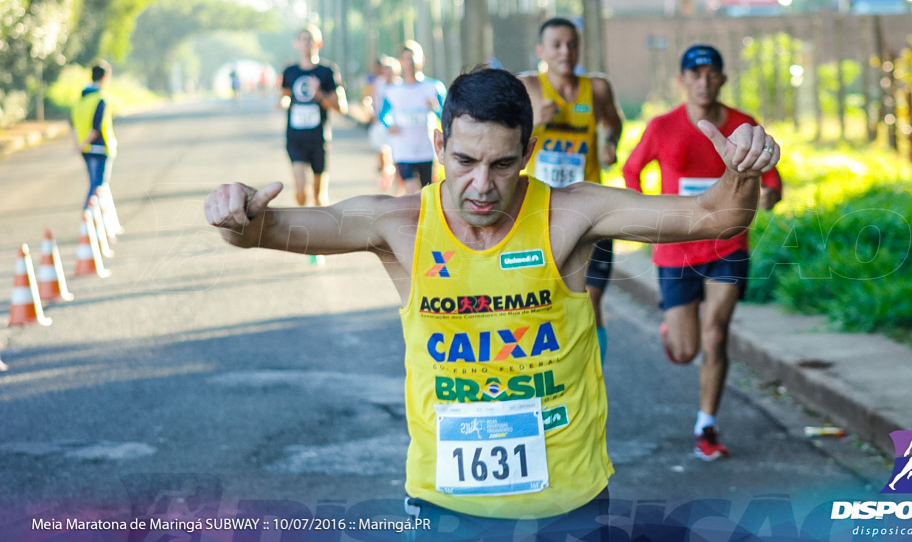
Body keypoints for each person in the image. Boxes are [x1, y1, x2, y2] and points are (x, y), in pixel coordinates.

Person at [205, 67, 780, 532]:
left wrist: (744, 170)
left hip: (567, 504)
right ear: (439, 145)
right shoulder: (398, 224)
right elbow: (263, 229)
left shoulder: (570, 215)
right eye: (464, 161)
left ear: (528, 152)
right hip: (444, 503)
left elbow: (718, 216)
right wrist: (235, 210)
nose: (482, 184)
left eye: (503, 164)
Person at [622, 44, 783, 462]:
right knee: (686, 350)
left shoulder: (744, 124)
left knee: (716, 333)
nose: (704, 81)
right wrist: (646, 216)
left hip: (727, 245)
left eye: (712, 73)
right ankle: (672, 332)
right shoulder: (661, 127)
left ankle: (706, 425)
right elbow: (631, 169)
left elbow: (772, 176)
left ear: (723, 79)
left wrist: (770, 195)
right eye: (695, 74)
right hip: (675, 248)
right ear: (682, 81)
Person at [519, 17, 624, 363]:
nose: (566, 51)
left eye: (572, 44)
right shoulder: (529, 86)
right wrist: (534, 121)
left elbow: (614, 122)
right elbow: (503, 139)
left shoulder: (596, 88)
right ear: (541, 50)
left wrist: (609, 143)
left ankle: (593, 375)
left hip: (591, 210)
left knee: (590, 301)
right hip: (541, 213)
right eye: (557, 45)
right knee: (545, 302)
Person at [280, 24, 348, 207]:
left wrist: (319, 94)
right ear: (297, 44)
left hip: (319, 139)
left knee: (319, 197)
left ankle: (319, 232)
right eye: (303, 39)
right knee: (301, 191)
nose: (306, 43)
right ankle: (304, 227)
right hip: (295, 138)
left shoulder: (327, 71)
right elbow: (285, 96)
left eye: (310, 39)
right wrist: (282, 103)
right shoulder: (290, 71)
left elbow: (341, 107)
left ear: (318, 43)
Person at [379, 40, 446, 195]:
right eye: (406, 58)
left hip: (426, 150)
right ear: (400, 62)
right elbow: (383, 115)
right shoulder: (392, 91)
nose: (410, 62)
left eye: (413, 58)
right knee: (411, 191)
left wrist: (435, 108)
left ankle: (424, 219)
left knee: (427, 193)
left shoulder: (434, 87)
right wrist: (389, 125)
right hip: (403, 151)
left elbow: (447, 115)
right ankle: (413, 218)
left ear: (421, 59)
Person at [71, 62, 117, 210]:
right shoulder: (101, 98)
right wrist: (84, 143)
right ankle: (88, 221)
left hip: (85, 149)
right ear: (104, 78)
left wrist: (79, 144)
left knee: (94, 184)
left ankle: (97, 225)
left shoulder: (80, 99)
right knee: (98, 186)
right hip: (100, 147)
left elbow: (73, 123)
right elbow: (96, 128)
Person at [360, 55, 400, 191]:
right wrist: (370, 111)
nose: (388, 74)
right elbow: (367, 99)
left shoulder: (400, 85)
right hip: (379, 125)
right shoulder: (378, 83)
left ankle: (395, 181)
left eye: (391, 71)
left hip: (396, 127)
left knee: (396, 157)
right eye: (386, 70)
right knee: (382, 155)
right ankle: (386, 173)